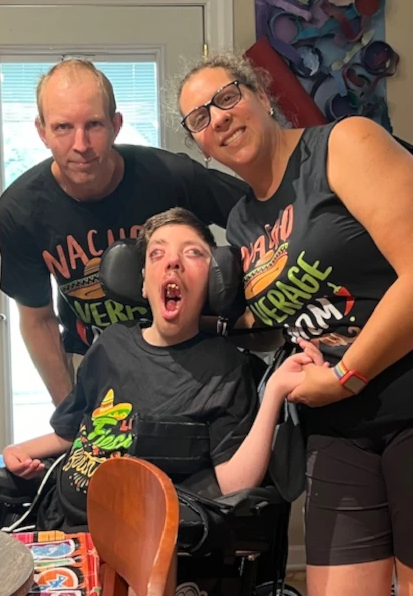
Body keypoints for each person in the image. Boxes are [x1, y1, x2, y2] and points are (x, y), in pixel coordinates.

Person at [177, 51, 413, 596]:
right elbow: (278, 313)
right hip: (336, 428)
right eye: (199, 118)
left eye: (228, 97)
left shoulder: (344, 145)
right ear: (201, 144)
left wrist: (346, 373)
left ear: (262, 95)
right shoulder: (241, 222)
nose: (219, 118)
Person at [2, 207, 323, 532]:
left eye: (193, 253)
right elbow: (72, 429)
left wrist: (275, 393)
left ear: (212, 281)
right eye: (157, 253)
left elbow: (234, 484)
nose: (173, 261)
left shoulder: (225, 369)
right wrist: (19, 450)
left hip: (136, 539)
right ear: (143, 283)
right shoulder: (111, 344)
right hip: (62, 515)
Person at [0, 59, 249, 406]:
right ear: (42, 131)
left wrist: (249, 312)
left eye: (94, 125)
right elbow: (37, 320)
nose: (81, 144)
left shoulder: (170, 176)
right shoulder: (20, 210)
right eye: (63, 127)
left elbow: (260, 217)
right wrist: (70, 410)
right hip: (99, 363)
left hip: (194, 361)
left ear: (116, 125)